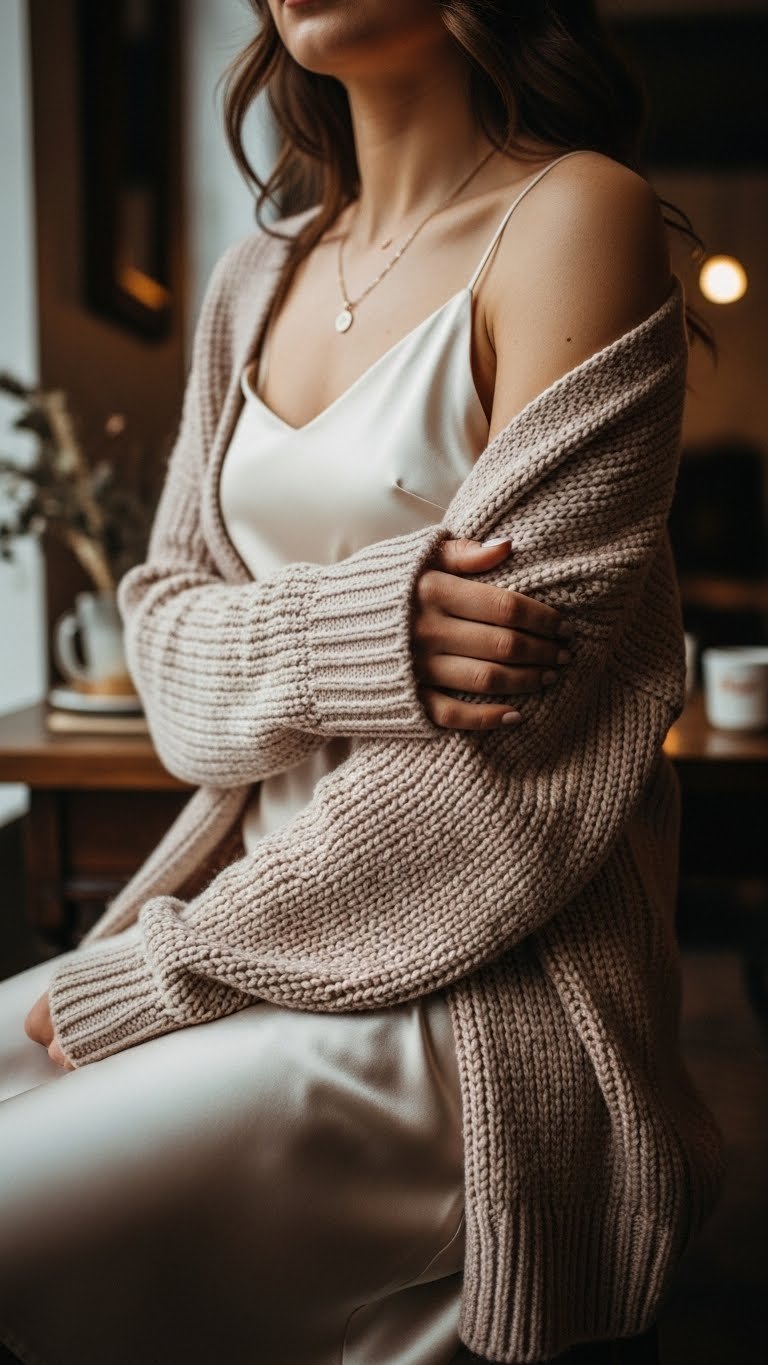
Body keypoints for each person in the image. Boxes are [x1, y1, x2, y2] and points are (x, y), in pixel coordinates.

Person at [0, 3, 724, 1363]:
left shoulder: (575, 215)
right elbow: (163, 649)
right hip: (238, 925)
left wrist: (165, 968)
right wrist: (355, 629)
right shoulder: (253, 275)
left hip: (465, 993)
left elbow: (513, 774)